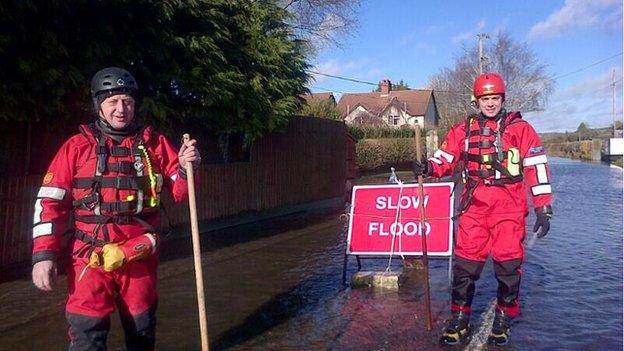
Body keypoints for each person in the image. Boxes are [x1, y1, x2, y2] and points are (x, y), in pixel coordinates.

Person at [31, 67, 201, 350]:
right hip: (89, 259)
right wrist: (43, 255)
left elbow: (182, 193)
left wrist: (186, 168)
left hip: (139, 258)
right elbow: (50, 202)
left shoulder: (155, 145)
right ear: (99, 104)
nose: (121, 109)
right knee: (87, 336)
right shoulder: (76, 147)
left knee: (141, 333)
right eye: (113, 101)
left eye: (127, 101)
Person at [413, 72, 553, 346]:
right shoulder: (462, 130)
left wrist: (543, 206)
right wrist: (429, 167)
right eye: (485, 98)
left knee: (508, 266)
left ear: (502, 99)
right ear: (477, 100)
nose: (490, 103)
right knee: (465, 267)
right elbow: (446, 158)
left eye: (495, 98)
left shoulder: (521, 130)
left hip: (508, 210)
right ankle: (460, 319)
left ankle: (503, 317)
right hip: (473, 209)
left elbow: (536, 167)